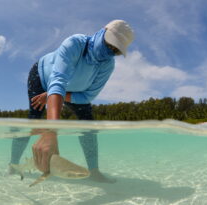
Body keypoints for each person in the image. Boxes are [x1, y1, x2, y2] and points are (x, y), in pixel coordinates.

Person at [9, 19, 134, 182]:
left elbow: (87, 96)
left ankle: (94, 171)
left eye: (115, 50)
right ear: (102, 31)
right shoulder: (75, 43)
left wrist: (49, 95)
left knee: (89, 126)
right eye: (109, 43)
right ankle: (12, 165)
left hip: (70, 91)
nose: (109, 51)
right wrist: (51, 131)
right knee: (34, 120)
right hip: (42, 77)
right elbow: (58, 80)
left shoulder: (107, 65)